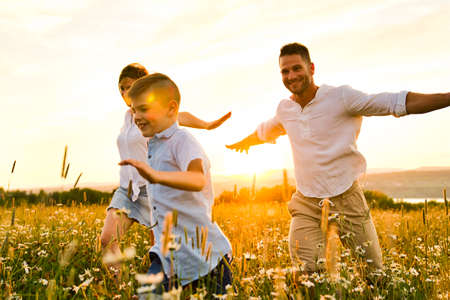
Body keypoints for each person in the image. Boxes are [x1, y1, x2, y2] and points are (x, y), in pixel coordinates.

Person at [227, 43, 450, 275]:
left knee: (374, 275)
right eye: (285, 71)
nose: (291, 76)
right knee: (308, 272)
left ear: (311, 68)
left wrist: (446, 98)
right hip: (307, 204)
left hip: (346, 199)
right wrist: (244, 143)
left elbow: (394, 102)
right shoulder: (285, 109)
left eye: (297, 68)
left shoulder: (341, 97)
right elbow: (264, 131)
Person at [101, 63, 231, 267]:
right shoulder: (128, 118)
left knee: (163, 253)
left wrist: (206, 125)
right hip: (127, 190)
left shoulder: (154, 115)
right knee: (107, 240)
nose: (125, 92)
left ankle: (203, 268)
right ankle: (121, 288)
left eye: (129, 86)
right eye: (122, 88)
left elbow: (181, 116)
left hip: (154, 190)